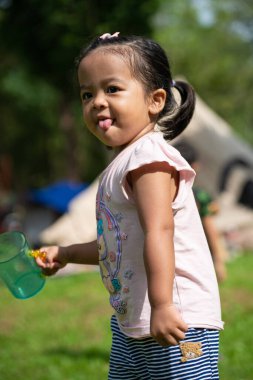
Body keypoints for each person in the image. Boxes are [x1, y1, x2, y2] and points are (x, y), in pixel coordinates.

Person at [36, 33, 223, 379]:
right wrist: (65, 252)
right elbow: (116, 246)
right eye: (87, 94)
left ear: (155, 100)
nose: (97, 102)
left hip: (177, 321)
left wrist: (164, 305)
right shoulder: (120, 166)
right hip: (132, 324)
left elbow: (159, 230)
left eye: (112, 89)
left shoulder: (150, 159)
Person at [173, 141, 228, 283]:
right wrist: (219, 260)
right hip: (197, 253)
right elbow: (210, 228)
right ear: (194, 167)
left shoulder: (164, 194)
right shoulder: (198, 195)